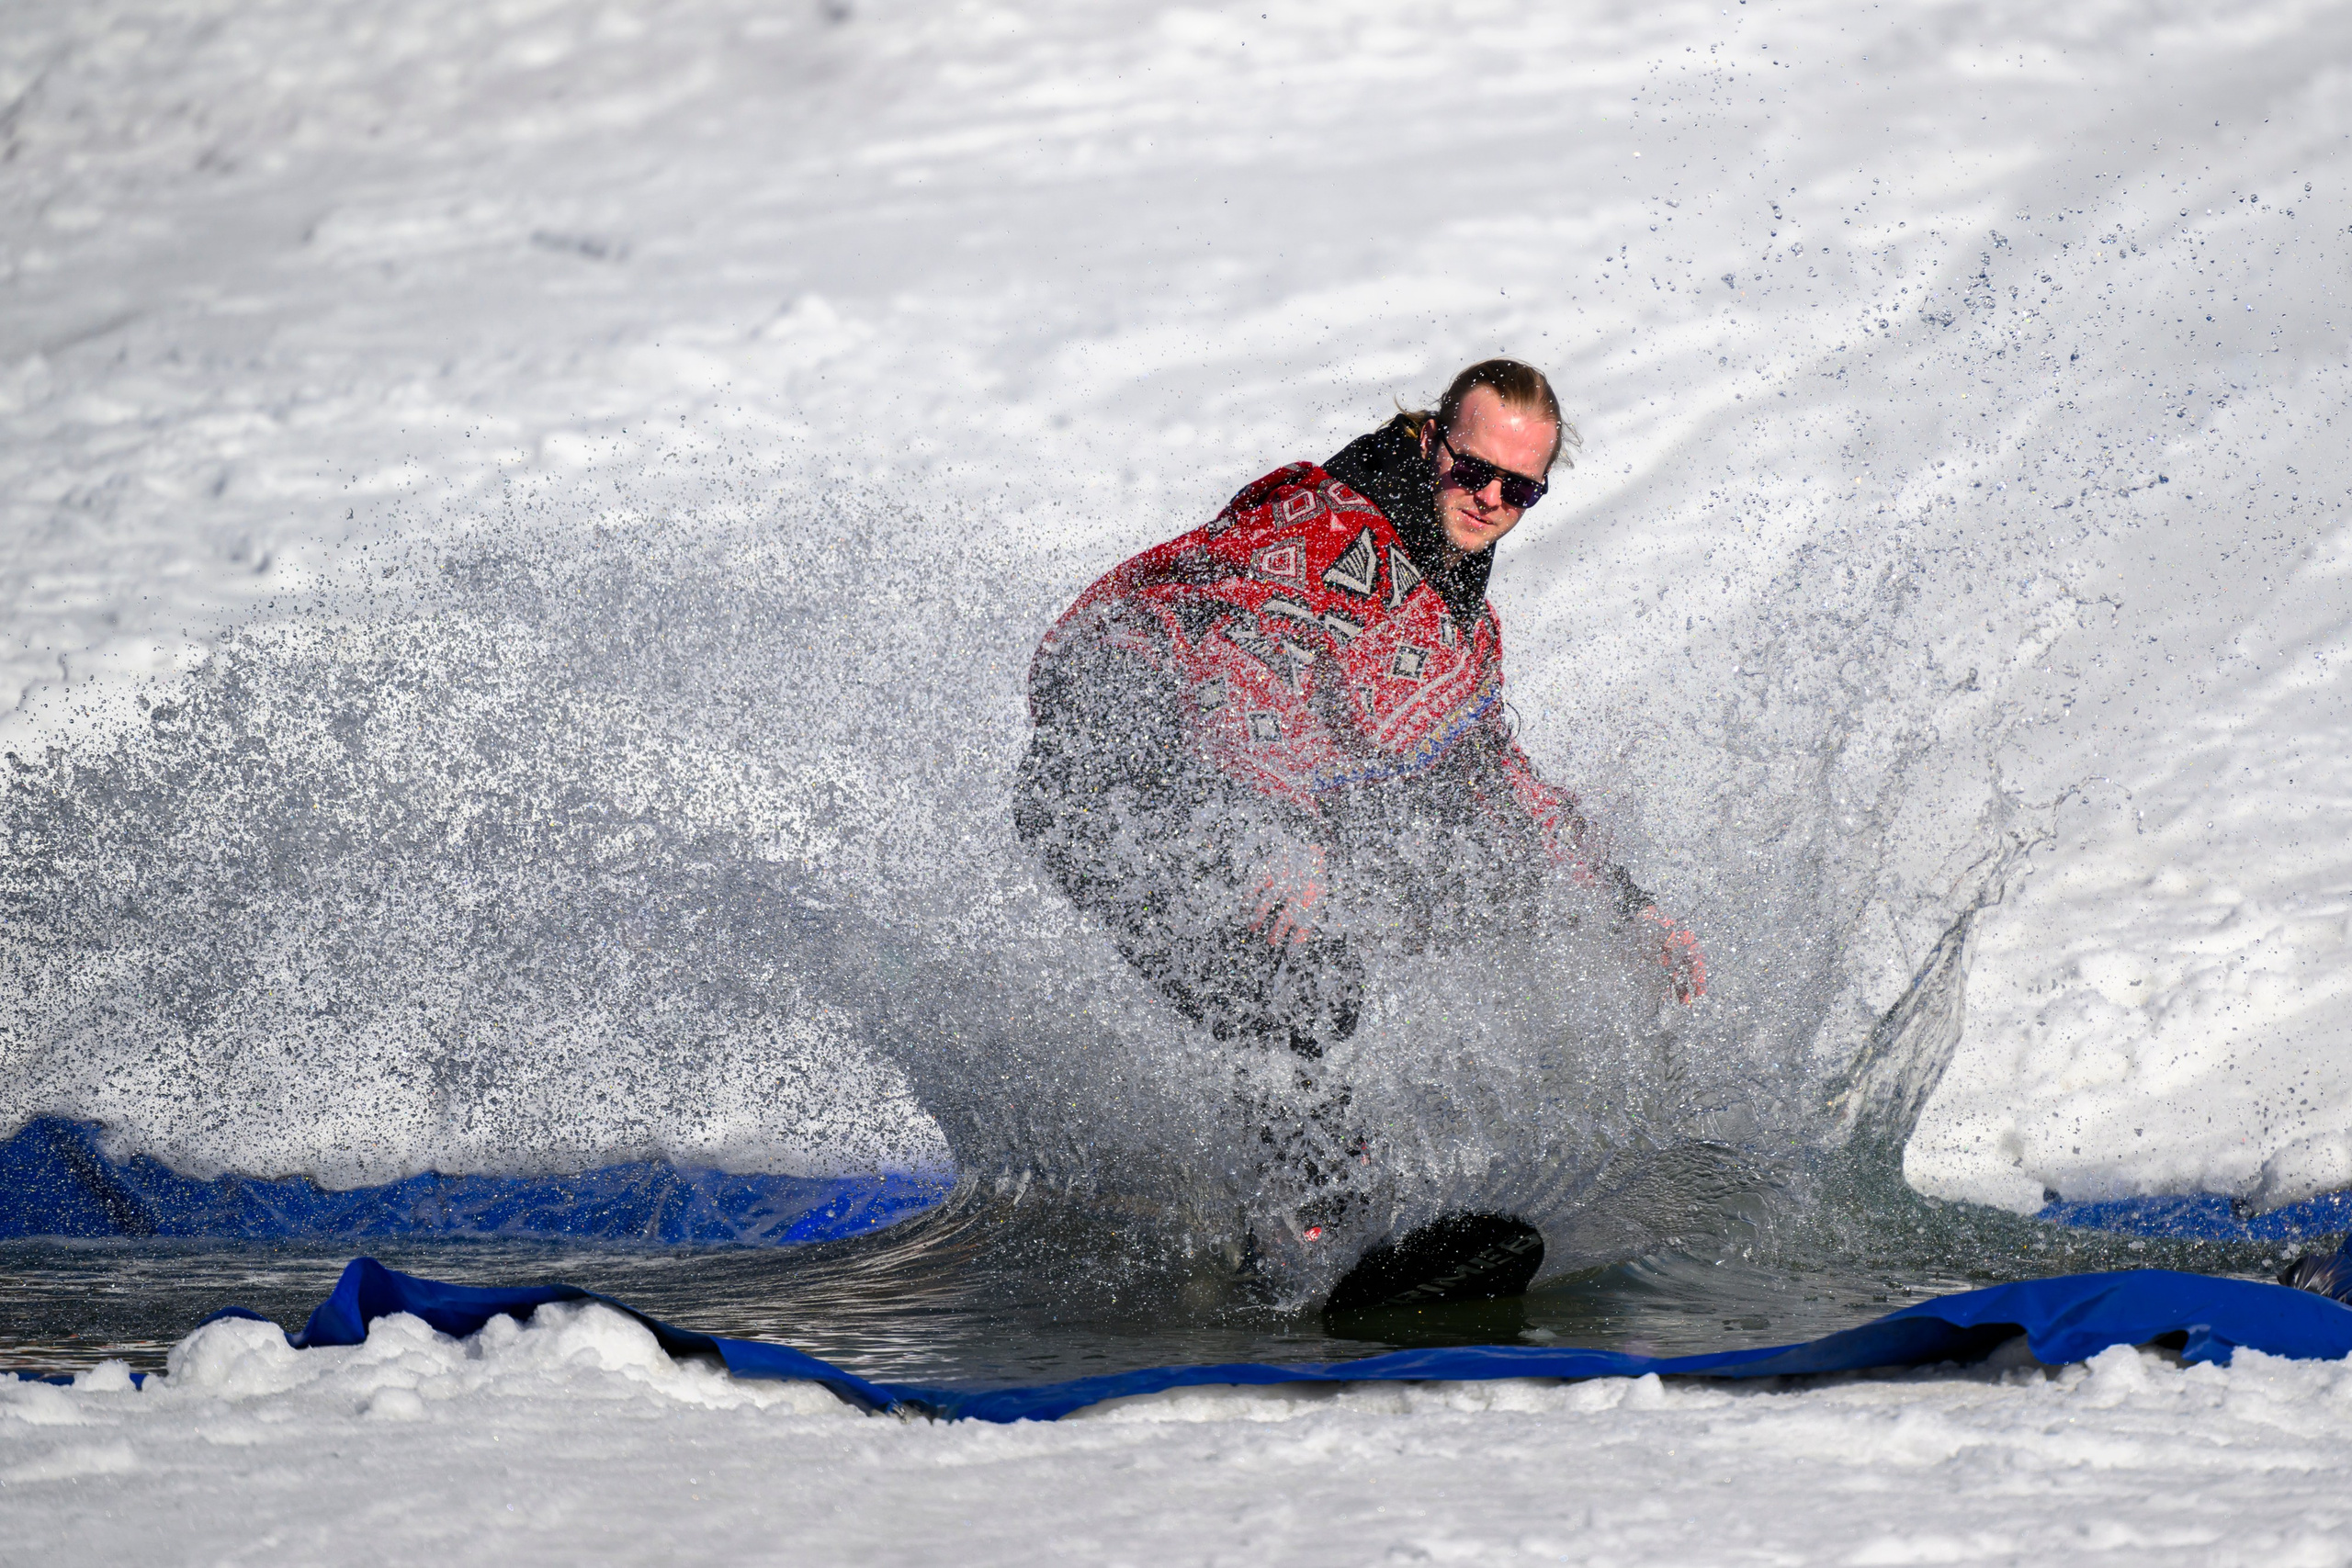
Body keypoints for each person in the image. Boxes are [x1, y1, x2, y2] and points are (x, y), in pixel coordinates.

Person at [1013, 359, 1705, 1229]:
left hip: (1217, 800)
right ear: (1431, 443)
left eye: (1519, 489)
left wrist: (1628, 906)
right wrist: (1281, 828)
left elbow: (1493, 776)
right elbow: (1235, 660)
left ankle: (1287, 1212)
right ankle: (1319, 1217)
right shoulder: (1329, 529)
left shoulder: (1456, 620)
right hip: (1099, 784)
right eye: (1473, 469)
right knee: (1290, 970)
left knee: (1365, 936)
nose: (1490, 498)